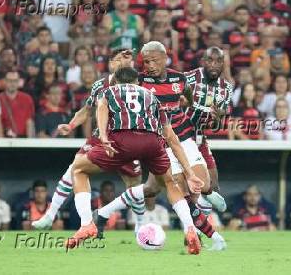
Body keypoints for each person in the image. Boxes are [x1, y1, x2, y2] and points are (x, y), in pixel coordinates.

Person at [95, 42, 226, 251]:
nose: (150, 65)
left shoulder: (179, 79)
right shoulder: (141, 81)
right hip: (161, 142)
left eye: (154, 60)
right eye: (146, 62)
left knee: (158, 188)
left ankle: (101, 214)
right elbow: (116, 88)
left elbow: (188, 99)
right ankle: (196, 234)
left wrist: (191, 106)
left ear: (165, 58)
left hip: (184, 137)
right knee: (182, 189)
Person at [67, 66, 202, 254]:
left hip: (122, 140)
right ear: (138, 82)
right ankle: (190, 230)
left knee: (79, 169)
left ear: (115, 81)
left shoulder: (109, 91)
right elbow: (172, 138)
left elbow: (102, 107)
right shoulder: (151, 96)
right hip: (152, 142)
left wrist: (104, 137)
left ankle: (87, 224)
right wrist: (190, 173)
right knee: (170, 184)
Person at [32, 49, 142, 230]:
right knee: (75, 168)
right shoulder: (100, 85)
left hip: (128, 140)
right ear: (110, 64)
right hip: (101, 138)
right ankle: (51, 216)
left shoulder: (137, 85)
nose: (121, 63)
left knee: (135, 185)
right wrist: (71, 125)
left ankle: (140, 225)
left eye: (125, 59)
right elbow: (87, 110)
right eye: (117, 60)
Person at [184, 47, 233, 211]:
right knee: (189, 188)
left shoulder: (226, 88)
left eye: (219, 61)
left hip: (199, 138)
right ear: (203, 61)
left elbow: (216, 126)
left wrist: (219, 118)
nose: (214, 65)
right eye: (210, 60)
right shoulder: (188, 79)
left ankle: (199, 228)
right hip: (179, 137)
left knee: (213, 185)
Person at [0, 71, 35, 138]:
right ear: (5, 82)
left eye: (15, 81)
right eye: (10, 81)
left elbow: (29, 122)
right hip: (4, 139)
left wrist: (30, 142)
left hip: (22, 139)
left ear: (18, 82)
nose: (12, 83)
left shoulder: (27, 99)